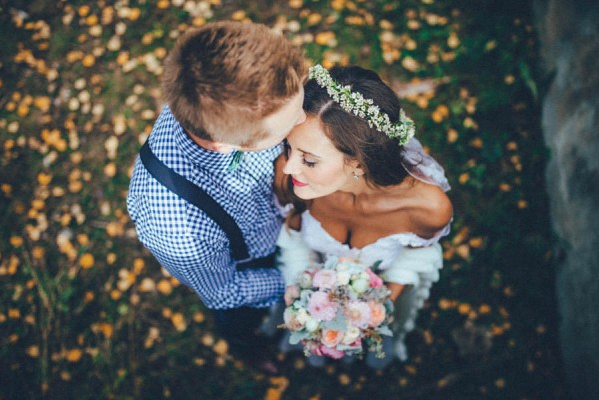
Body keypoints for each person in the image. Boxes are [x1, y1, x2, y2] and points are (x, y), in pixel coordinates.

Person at [126, 21, 307, 375]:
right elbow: (223, 291)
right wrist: (302, 279)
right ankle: (249, 350)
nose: (303, 118)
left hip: (290, 221)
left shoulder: (241, 92)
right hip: (252, 267)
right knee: (239, 324)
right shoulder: (177, 224)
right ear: (222, 144)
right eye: (287, 125)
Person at [273, 65, 453, 368]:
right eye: (289, 148)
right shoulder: (290, 176)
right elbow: (293, 237)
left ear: (358, 163)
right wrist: (305, 299)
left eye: (310, 160)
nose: (289, 167)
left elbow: (416, 257)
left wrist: (372, 312)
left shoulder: (428, 209)